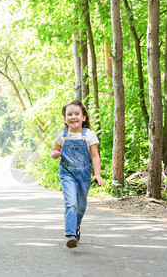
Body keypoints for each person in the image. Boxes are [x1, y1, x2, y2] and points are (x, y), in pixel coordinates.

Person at [50, 100, 104, 248]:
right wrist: (54, 154)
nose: (73, 117)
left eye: (77, 114)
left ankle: (77, 227)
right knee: (71, 203)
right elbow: (55, 150)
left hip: (84, 174)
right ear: (65, 119)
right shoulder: (62, 135)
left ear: (84, 117)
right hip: (67, 173)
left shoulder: (89, 135)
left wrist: (97, 174)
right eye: (69, 114)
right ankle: (70, 234)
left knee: (80, 206)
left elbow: (95, 156)